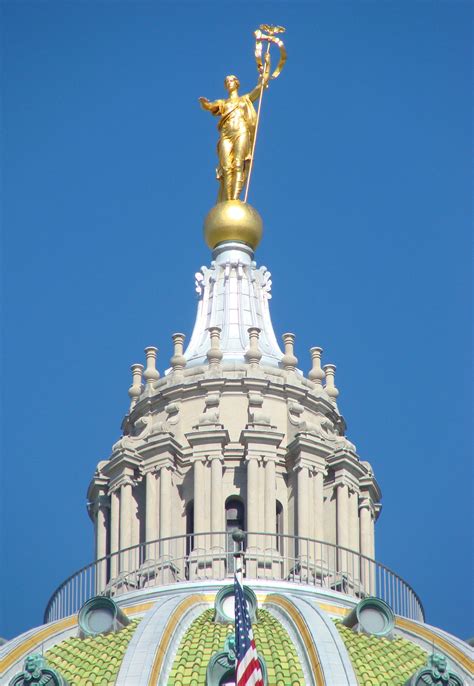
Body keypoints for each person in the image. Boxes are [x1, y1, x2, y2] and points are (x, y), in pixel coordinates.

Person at [199, 53, 271, 202]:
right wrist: (205, 104)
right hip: (226, 134)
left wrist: (267, 66)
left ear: (237, 83)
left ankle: (234, 199)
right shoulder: (223, 103)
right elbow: (210, 106)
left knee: (239, 163)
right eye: (227, 81)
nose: (229, 82)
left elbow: (260, 87)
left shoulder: (245, 99)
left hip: (241, 131)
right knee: (226, 166)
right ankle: (227, 200)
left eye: (231, 80)